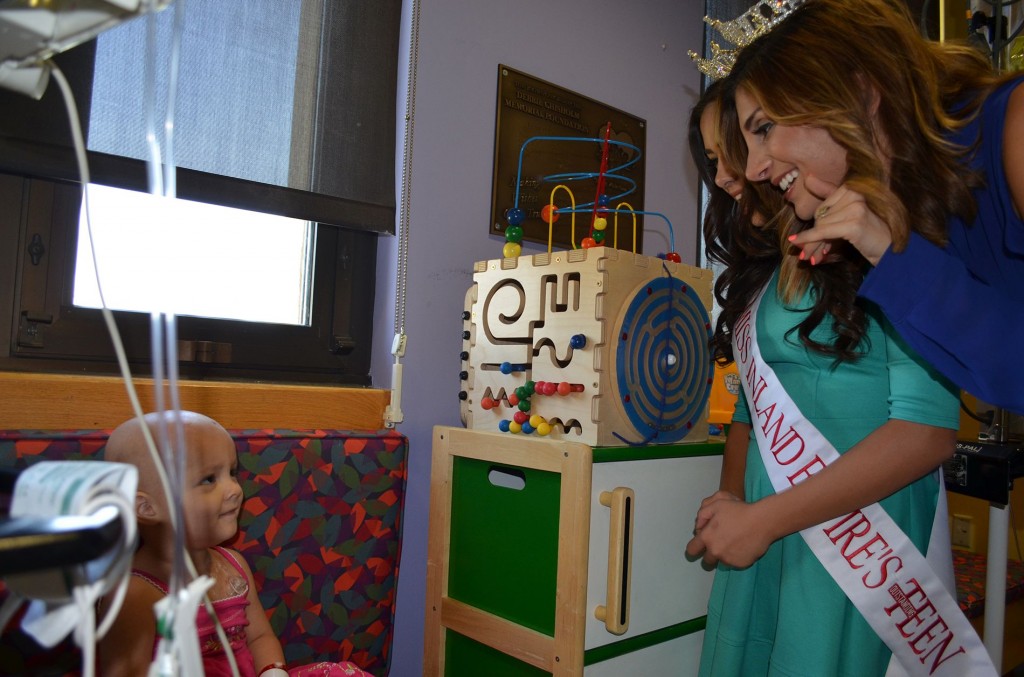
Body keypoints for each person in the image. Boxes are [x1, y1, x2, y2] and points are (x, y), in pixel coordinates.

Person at [684, 59, 990, 675]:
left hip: (861, 533)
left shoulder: (887, 233)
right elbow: (752, 399)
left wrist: (761, 518)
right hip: (770, 526)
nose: (731, 176)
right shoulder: (776, 260)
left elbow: (927, 432)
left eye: (744, 144)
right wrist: (732, 498)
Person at [733, 0, 1024, 414]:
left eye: (764, 128)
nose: (753, 169)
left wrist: (896, 259)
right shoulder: (909, 216)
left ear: (860, 92)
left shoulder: (1015, 128)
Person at [99, 410, 370, 677]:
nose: (235, 489)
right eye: (208, 479)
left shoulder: (232, 565)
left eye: (232, 473)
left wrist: (272, 672)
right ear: (146, 507)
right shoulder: (132, 595)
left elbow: (260, 637)